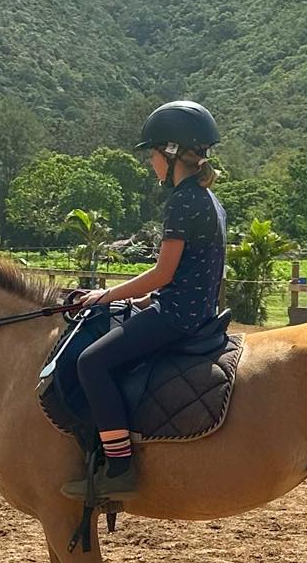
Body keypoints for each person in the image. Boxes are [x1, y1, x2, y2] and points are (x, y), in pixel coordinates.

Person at [63, 100, 228, 505]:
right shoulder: (209, 199)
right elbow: (195, 271)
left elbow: (163, 272)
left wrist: (105, 296)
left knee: (92, 362)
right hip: (193, 310)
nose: (150, 163)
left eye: (152, 154)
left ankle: (119, 467)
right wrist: (148, 298)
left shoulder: (183, 201)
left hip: (176, 317)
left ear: (171, 153)